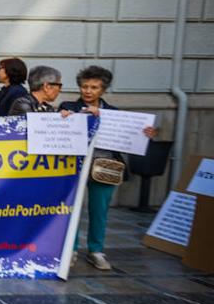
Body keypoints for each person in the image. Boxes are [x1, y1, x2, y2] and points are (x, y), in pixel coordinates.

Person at [59, 65, 158, 271]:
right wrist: (63, 116)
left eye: (94, 87)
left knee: (100, 210)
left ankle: (96, 250)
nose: (88, 91)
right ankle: (71, 249)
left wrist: (146, 133)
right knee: (72, 209)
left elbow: (129, 134)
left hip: (105, 167)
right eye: (85, 86)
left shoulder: (113, 113)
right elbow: (58, 127)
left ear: (103, 90)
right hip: (74, 167)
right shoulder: (68, 105)